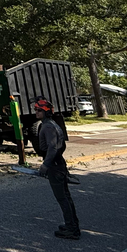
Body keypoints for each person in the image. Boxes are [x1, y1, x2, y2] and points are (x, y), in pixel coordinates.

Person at [33, 96, 81, 240]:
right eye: (35, 109)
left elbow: (52, 148)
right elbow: (61, 146)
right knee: (66, 196)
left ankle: (72, 229)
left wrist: (45, 165)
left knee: (62, 198)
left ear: (46, 112)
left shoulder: (47, 126)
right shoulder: (53, 124)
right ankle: (72, 224)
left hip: (55, 165)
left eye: (39, 110)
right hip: (58, 163)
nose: (36, 112)